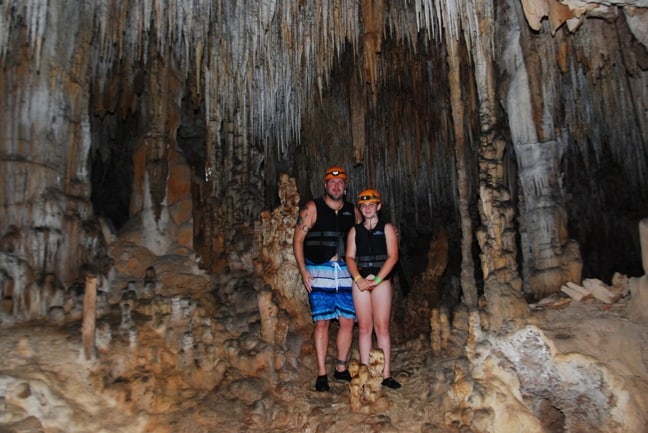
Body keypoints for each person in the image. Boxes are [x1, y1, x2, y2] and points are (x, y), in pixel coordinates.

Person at [293, 166, 363, 392]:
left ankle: (341, 369)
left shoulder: (353, 211)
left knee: (347, 320)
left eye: (340, 183)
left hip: (345, 271)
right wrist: (303, 271)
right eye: (332, 183)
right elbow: (298, 241)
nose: (336, 186)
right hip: (319, 270)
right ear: (325, 185)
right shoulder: (312, 208)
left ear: (345, 186)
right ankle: (322, 373)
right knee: (321, 321)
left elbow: (364, 238)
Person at [345, 188, 401, 389]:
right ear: (360, 208)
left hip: (381, 280)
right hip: (361, 280)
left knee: (382, 327)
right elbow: (350, 257)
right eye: (364, 205)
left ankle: (385, 374)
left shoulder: (387, 228)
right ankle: (365, 371)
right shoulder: (355, 231)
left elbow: (393, 256)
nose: (367, 208)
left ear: (378, 206)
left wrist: (377, 279)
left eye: (371, 204)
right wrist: (358, 278)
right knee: (365, 328)